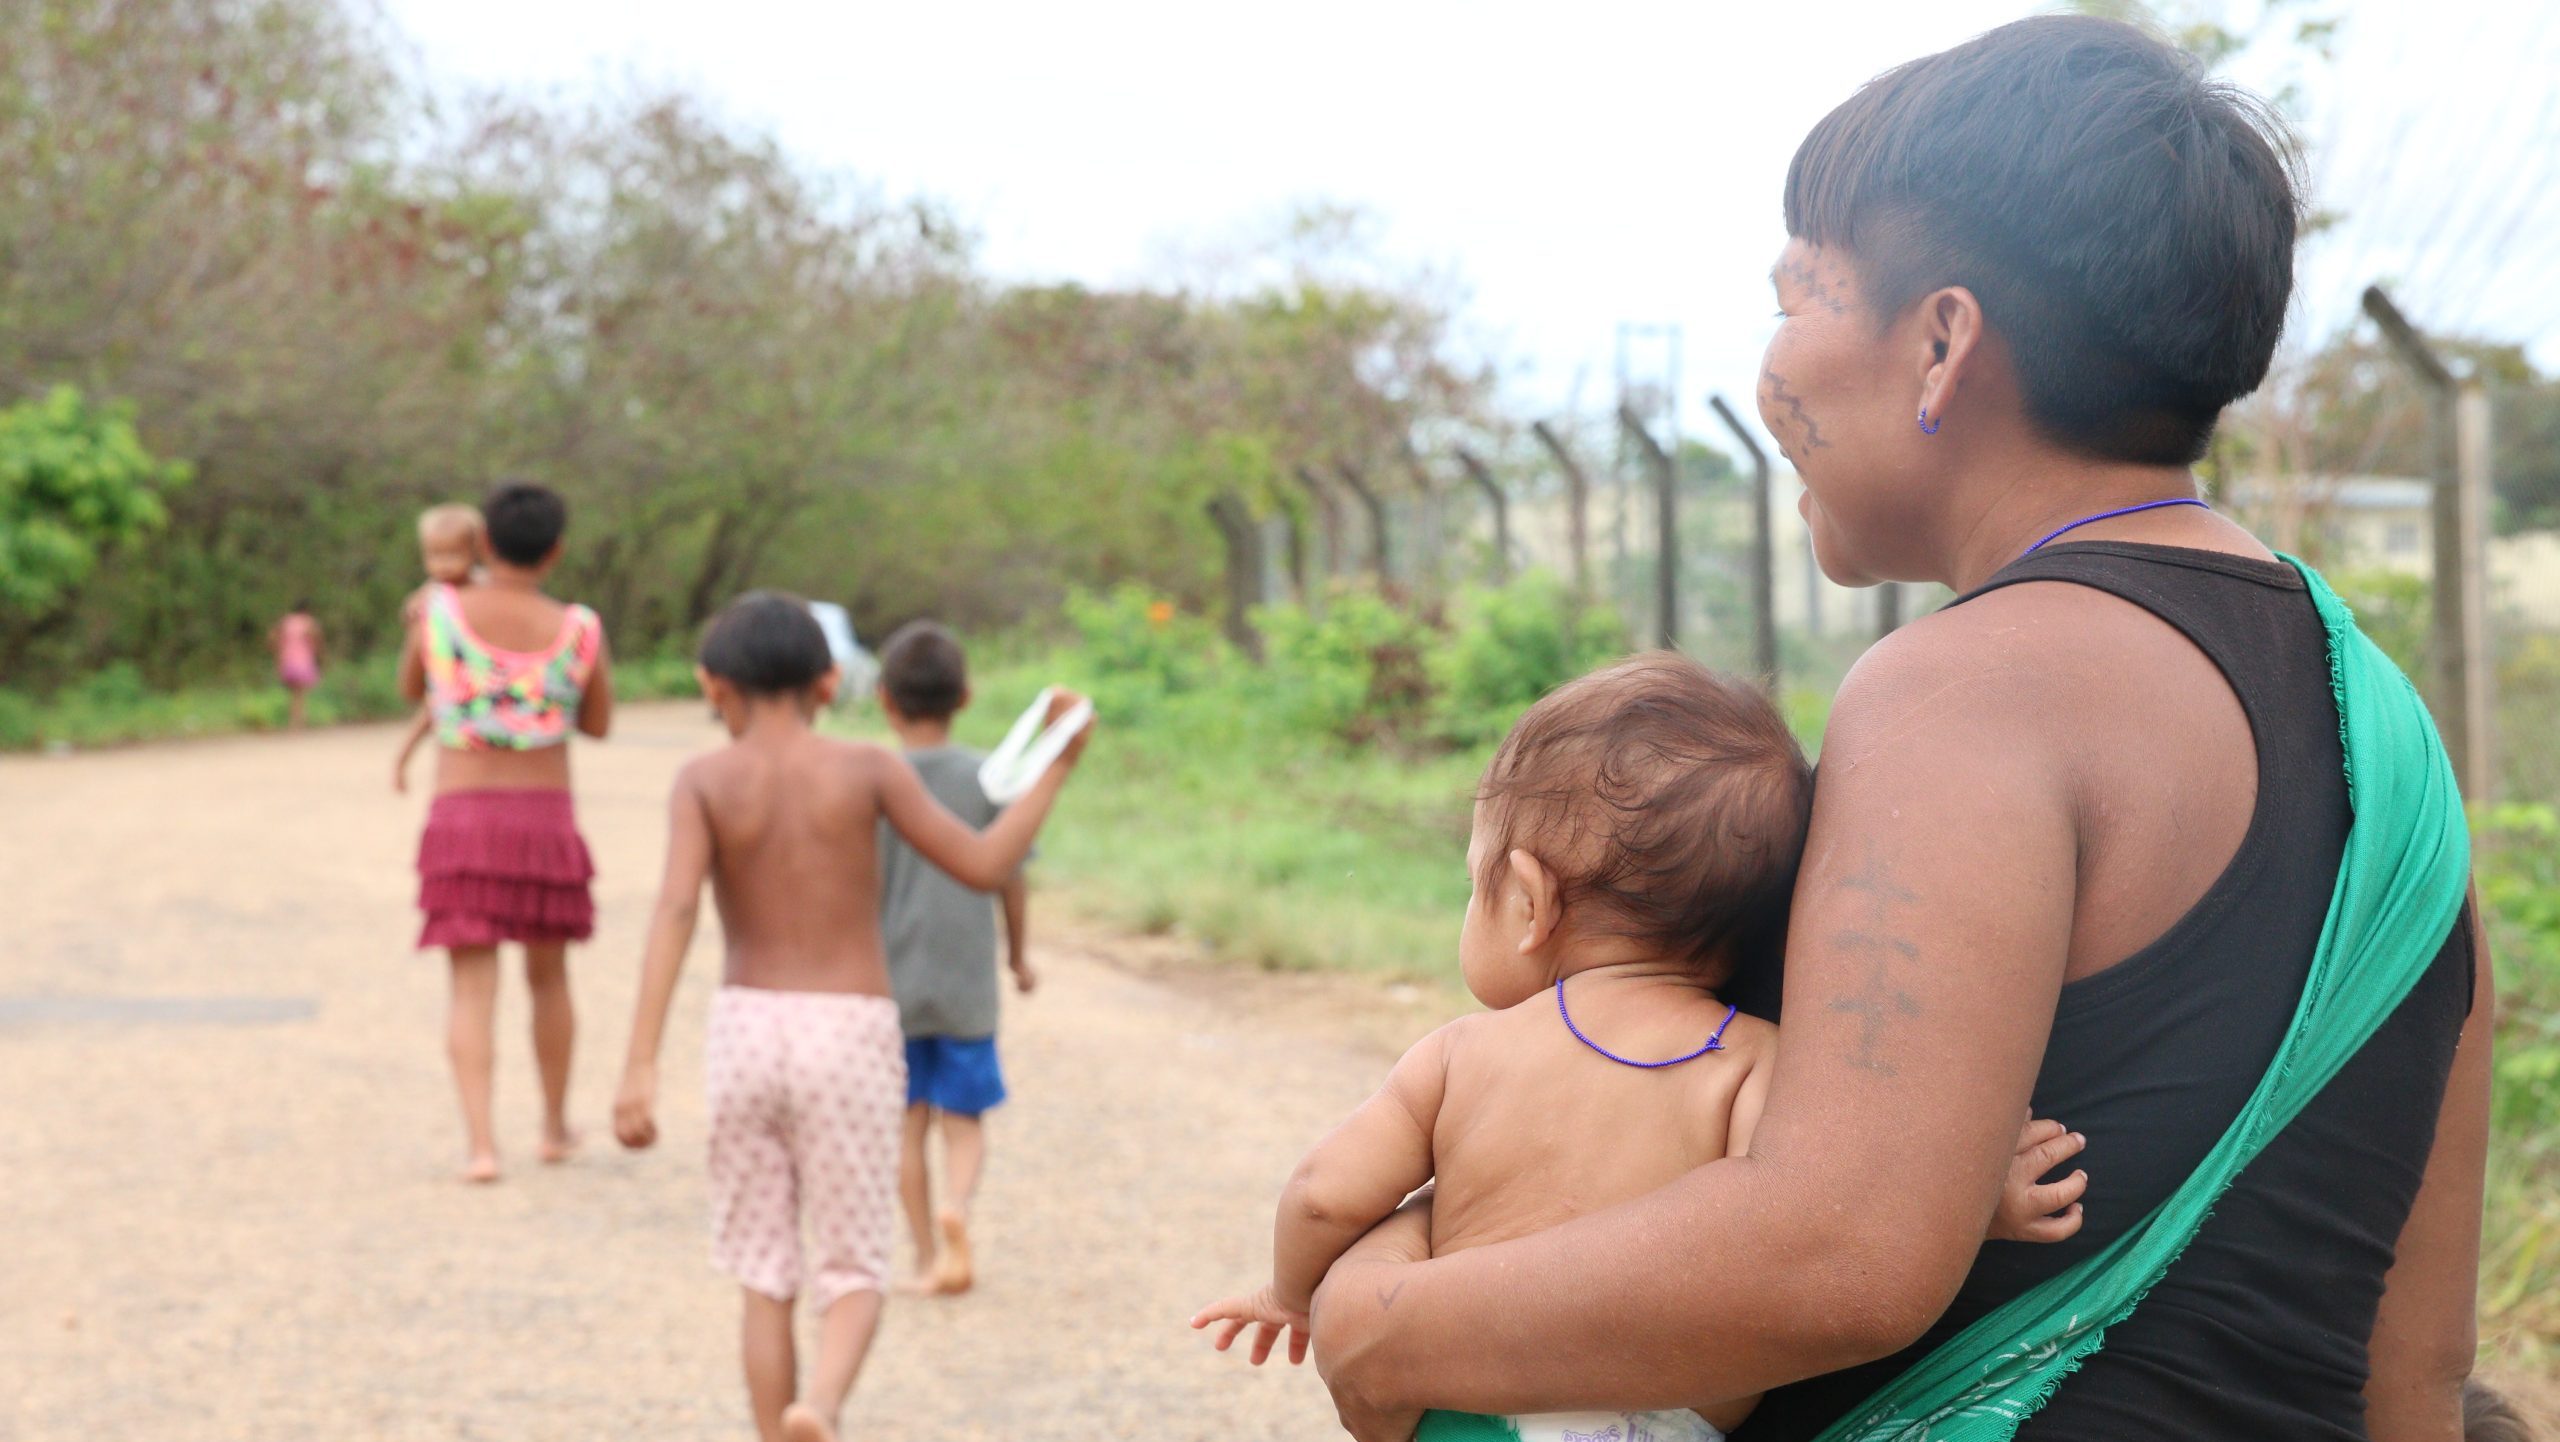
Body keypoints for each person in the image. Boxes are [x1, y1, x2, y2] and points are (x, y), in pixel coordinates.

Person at [1308, 17, 2490, 1442]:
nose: (1774, 363)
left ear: (1940, 341)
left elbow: (1836, 1254)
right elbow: (2414, 1370)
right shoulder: (2393, 733)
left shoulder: (1962, 687)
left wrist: (1385, 1321)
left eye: (1799, 293)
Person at [1192, 656, 2091, 1442]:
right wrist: (1977, 1202)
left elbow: (1323, 1196)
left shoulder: (1461, 1056)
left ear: (1528, 901)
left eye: (1476, 884)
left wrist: (1291, 1296)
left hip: (1465, 1404)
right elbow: (1856, 1209)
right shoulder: (1759, 1066)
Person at [609, 593, 1088, 1442]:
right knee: (854, 1263)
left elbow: (676, 910)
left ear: (713, 686)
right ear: (830, 683)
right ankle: (819, 1407)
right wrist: (1054, 768)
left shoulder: (704, 780)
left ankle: (775, 1430)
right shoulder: (869, 769)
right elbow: (980, 864)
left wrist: (639, 1062)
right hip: (851, 1030)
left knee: (763, 1270)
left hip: (747, 1029)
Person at [396, 481, 613, 1184]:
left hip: (462, 819)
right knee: (549, 978)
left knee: (471, 986)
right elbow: (600, 723)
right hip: (545, 821)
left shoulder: (440, 613)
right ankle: (553, 1127)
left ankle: (483, 1145)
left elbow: (411, 689)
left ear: (484, 542)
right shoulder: (580, 627)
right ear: (556, 552)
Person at [870, 621, 1038, 1298]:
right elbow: (1010, 878)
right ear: (964, 697)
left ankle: (921, 1255)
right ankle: (956, 1210)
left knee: (906, 1124)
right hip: (967, 982)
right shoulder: (985, 780)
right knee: (963, 1120)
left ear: (884, 699)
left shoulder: (872, 781)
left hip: (891, 983)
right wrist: (1018, 958)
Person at [393, 504, 485, 794]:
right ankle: (401, 762)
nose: (444, 565)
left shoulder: (482, 585)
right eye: (435, 556)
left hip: (481, 671)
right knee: (427, 715)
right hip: (448, 674)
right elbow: (410, 614)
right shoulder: (431, 590)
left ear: (476, 552)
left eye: (454, 555)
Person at [269, 601, 323, 730]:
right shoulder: (308, 622)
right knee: (300, 693)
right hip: (303, 661)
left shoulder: (286, 621)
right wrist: (317, 651)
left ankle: (295, 721)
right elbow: (317, 637)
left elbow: (272, 636)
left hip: (287, 660)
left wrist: (277, 650)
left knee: (294, 693)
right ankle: (299, 721)